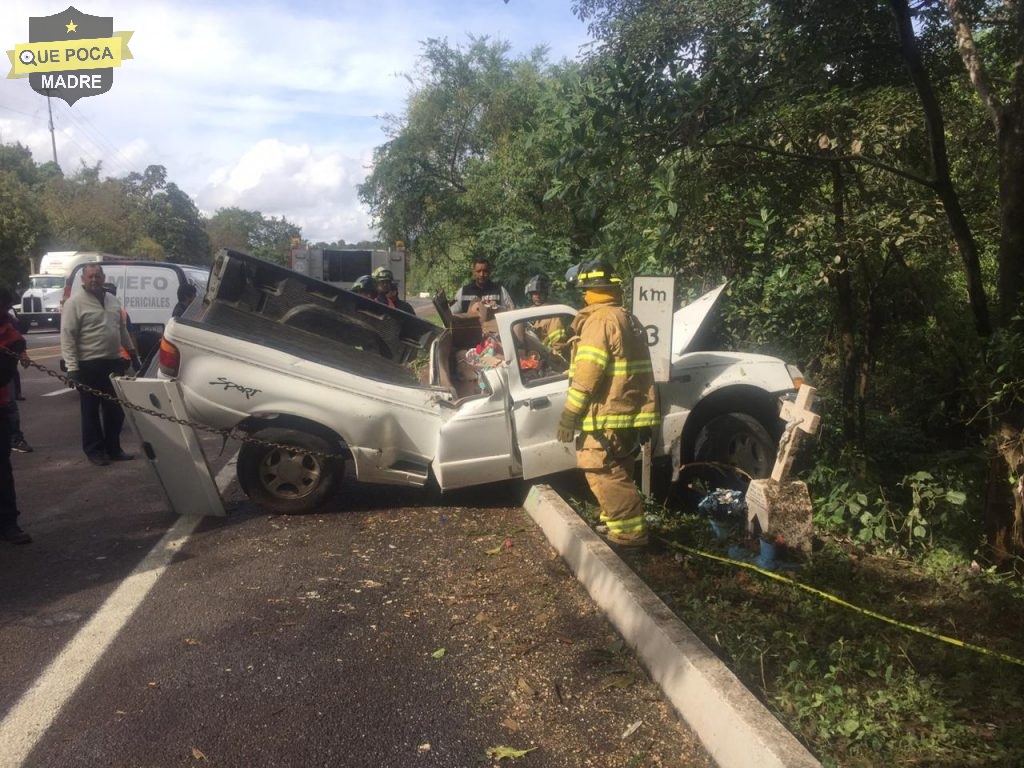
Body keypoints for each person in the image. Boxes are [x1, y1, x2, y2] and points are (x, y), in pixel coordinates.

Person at [556, 260, 659, 547]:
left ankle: (629, 535)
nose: (584, 296)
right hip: (627, 412)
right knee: (620, 466)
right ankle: (615, 523)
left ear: (589, 290)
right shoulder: (626, 317)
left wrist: (569, 415)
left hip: (606, 413)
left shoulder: (599, 321)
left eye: (585, 290)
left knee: (601, 469)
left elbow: (588, 374)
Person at [60, 264, 139, 466]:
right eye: (90, 276)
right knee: (91, 411)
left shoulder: (113, 301)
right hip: (88, 365)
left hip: (113, 362)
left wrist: (131, 352)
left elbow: (121, 330)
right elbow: (68, 337)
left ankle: (113, 449)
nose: (94, 279)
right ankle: (94, 451)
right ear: (83, 280)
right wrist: (72, 368)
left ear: (103, 278)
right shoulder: (74, 303)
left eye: (97, 276)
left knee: (115, 410)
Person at [0, 285, 31, 543]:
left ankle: (9, 523)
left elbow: (4, 373)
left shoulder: (8, 332)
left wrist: (18, 352)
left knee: (1, 469)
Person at [449, 256, 515, 314]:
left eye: (485, 271)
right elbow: (452, 315)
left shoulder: (499, 290)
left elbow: (511, 311)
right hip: (471, 327)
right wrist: (470, 312)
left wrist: (497, 308)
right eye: (478, 271)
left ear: (489, 271)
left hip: (493, 327)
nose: (482, 274)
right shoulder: (463, 292)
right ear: (473, 272)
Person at [524, 273, 569, 358]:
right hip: (530, 357)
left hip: (547, 358)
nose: (537, 296)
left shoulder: (552, 314)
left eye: (541, 293)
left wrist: (556, 360)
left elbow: (558, 344)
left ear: (546, 294)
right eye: (534, 293)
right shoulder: (527, 312)